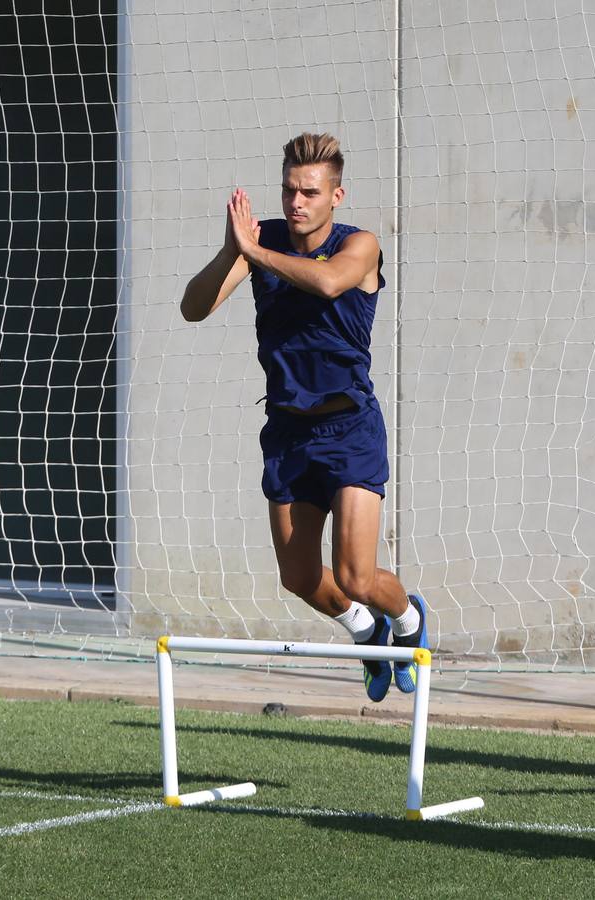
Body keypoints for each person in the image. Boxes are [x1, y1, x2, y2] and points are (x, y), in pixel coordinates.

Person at [180, 132, 426, 702]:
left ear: (336, 195)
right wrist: (230, 251)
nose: (296, 202)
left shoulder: (360, 245)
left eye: (310, 192)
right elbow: (193, 309)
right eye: (289, 190)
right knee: (298, 578)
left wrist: (255, 251)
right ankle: (368, 634)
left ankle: (409, 621)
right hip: (288, 432)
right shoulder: (257, 239)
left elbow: (328, 282)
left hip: (349, 430)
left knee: (355, 577)